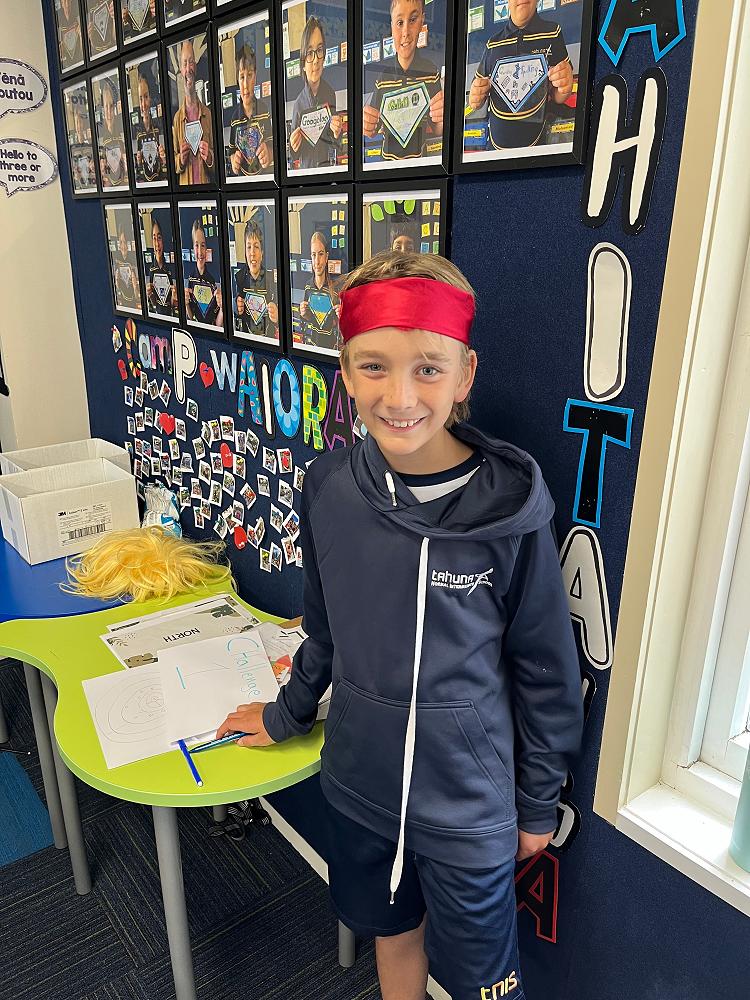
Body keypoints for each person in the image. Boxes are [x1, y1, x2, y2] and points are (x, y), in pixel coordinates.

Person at [217, 250, 583, 1000]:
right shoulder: (328, 488)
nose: (401, 395)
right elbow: (322, 633)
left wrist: (537, 801)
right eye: (374, 367)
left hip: (468, 808)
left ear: (465, 374)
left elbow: (547, 671)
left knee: (488, 985)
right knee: (393, 937)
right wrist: (285, 715)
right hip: (362, 790)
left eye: (428, 368)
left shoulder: (509, 512)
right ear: (346, 375)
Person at [467, 0, 573, 150]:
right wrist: (476, 96)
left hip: (538, 145)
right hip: (495, 148)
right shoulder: (493, 43)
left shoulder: (552, 33)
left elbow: (558, 93)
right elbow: (476, 95)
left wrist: (564, 86)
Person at [363, 0, 444, 163]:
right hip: (387, 166)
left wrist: (443, 114)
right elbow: (371, 130)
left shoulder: (430, 73)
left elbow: (438, 128)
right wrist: (365, 122)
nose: (406, 32)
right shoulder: (383, 78)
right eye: (400, 23)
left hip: (420, 165)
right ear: (392, 27)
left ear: (422, 21)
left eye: (412, 20)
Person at [289, 16, 342, 171]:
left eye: (319, 50)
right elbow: (294, 155)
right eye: (309, 53)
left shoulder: (330, 94)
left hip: (327, 171)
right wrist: (293, 145)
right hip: (307, 176)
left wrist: (337, 132)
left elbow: (335, 144)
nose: (315, 60)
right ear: (303, 63)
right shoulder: (299, 104)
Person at [172, 38, 215, 186]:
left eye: (191, 62)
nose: (188, 68)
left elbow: (218, 161)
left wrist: (210, 157)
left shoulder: (208, 115)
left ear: (195, 67)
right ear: (180, 70)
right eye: (184, 63)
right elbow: (173, 163)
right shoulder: (177, 119)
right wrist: (180, 160)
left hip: (206, 192)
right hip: (187, 195)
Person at [226, 44, 273, 178]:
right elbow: (231, 151)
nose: (246, 84)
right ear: (237, 80)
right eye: (242, 77)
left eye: (250, 75)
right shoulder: (234, 119)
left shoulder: (264, 111)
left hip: (265, 180)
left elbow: (272, 145)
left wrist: (269, 154)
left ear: (255, 77)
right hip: (244, 185)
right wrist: (234, 161)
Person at [232, 221, 279, 341]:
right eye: (249, 247)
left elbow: (282, 320)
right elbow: (234, 314)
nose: (252, 253)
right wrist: (236, 307)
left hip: (268, 341)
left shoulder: (271, 279)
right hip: (246, 340)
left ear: (262, 253)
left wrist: (277, 316)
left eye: (256, 247)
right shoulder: (239, 277)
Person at [299, 231, 341, 351]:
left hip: (332, 349)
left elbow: (339, 324)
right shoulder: (308, 286)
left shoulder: (335, 288)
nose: (317, 261)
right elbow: (308, 318)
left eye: (321, 254)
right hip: (313, 346)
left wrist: (342, 315)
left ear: (326, 257)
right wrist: (304, 313)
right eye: (313, 255)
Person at [184, 218, 222, 328]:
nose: (200, 252)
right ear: (193, 247)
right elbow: (190, 317)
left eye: (203, 245)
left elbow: (218, 323)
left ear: (207, 248)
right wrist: (186, 304)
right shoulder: (190, 278)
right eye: (196, 245)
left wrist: (222, 307)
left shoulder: (214, 279)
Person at [133, 72, 167, 186]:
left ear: (151, 98)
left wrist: (164, 160)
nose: (143, 104)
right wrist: (138, 163)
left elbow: (168, 169)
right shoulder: (135, 131)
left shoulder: (160, 126)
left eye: (146, 97)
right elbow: (136, 175)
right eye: (140, 99)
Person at [98, 76, 128, 188]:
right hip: (110, 188)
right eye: (106, 106)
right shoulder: (99, 133)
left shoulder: (123, 128)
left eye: (111, 106)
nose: (108, 111)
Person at [145, 217, 177, 319]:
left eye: (159, 238)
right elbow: (154, 303)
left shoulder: (171, 269)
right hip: (158, 317)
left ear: (163, 240)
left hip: (172, 317)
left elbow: (174, 305)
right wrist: (150, 295)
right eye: (154, 238)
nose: (156, 244)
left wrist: (174, 296)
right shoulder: (151, 270)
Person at [113, 225, 140, 311]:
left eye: (125, 242)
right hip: (122, 305)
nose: (123, 246)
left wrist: (135, 287)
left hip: (133, 305)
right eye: (121, 242)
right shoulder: (116, 261)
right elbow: (117, 290)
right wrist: (116, 281)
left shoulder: (134, 262)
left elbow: (137, 297)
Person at [57, 0, 83, 69]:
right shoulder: (57, 17)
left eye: (69, 1)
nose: (67, 5)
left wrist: (81, 34)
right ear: (61, 3)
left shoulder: (78, 10)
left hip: (79, 58)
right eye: (65, 2)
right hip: (66, 64)